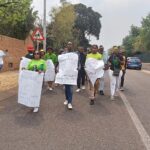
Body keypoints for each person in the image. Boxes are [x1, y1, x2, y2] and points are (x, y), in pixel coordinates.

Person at [63, 42, 77, 110]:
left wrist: (77, 68)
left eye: (71, 44)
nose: (69, 45)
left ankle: (70, 103)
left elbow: (77, 62)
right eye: (68, 44)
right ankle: (66, 99)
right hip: (65, 73)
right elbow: (61, 62)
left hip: (72, 73)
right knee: (66, 88)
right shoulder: (63, 54)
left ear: (72, 46)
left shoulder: (75, 54)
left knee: (70, 88)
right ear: (67, 45)